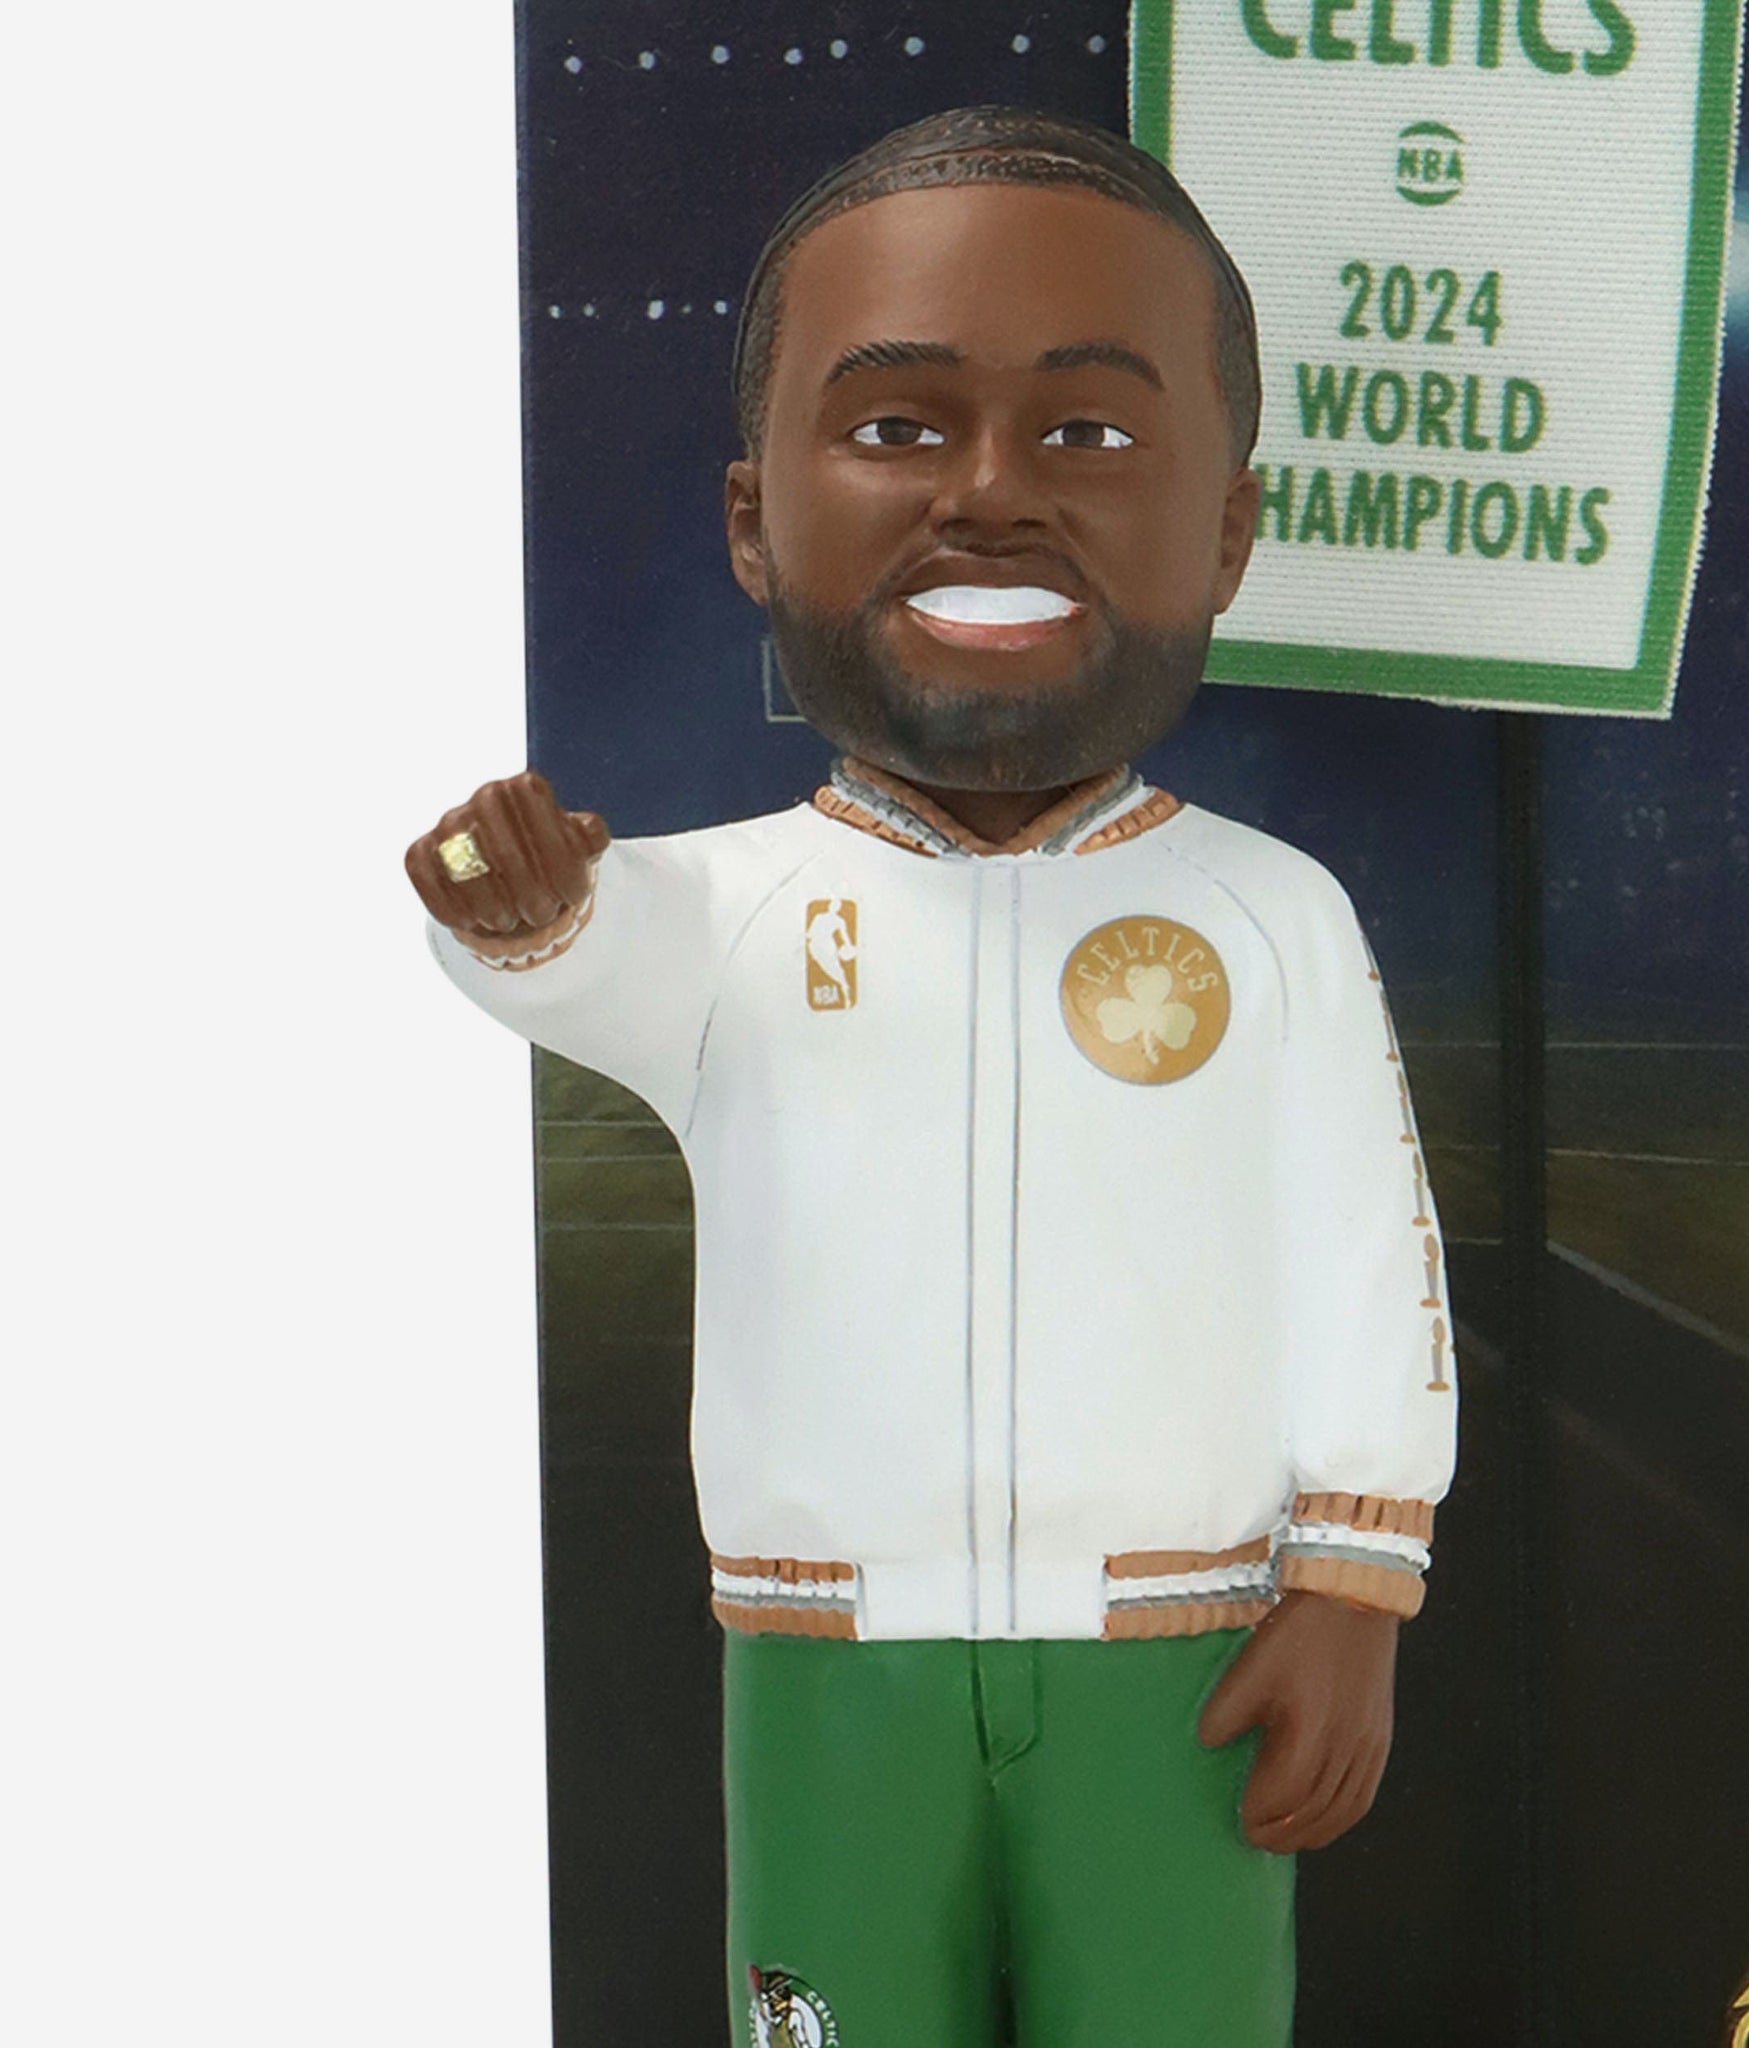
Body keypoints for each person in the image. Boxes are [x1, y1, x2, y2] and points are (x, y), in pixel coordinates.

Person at [406, 104, 1455, 2048]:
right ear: (753, 523)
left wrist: (1354, 1583)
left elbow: (1363, 1256)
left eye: (1088, 434)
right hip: (829, 1647)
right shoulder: (728, 910)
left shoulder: (1269, 913)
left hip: (1179, 1640)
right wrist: (511, 909)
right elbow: (569, 955)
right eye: (897, 425)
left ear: (1229, 527)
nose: (989, 494)